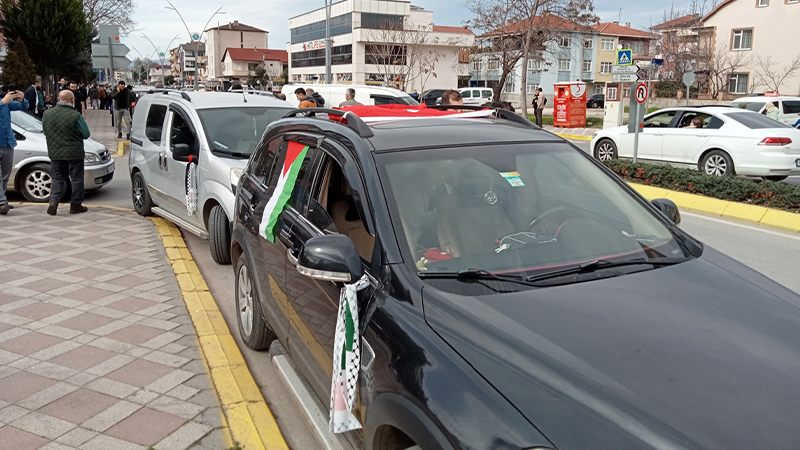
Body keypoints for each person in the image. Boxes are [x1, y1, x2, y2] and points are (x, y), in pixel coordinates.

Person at [42, 90, 90, 215]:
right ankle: (75, 205)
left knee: (57, 178)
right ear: (72, 100)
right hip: (74, 153)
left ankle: (53, 202)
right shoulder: (76, 115)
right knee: (77, 179)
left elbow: (46, 132)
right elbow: (86, 134)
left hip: (55, 153)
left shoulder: (47, 114)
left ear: (58, 99)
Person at [0, 86, 28, 215]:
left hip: (7, 143)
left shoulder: (6, 104)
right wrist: (2, 103)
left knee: (6, 174)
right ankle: (1, 202)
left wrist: (22, 99)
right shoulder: (3, 103)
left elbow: (22, 107)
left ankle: (3, 200)